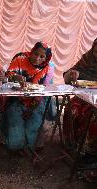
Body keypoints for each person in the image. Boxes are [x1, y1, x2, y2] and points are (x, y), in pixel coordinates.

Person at [3, 41, 53, 152]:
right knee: (15, 123)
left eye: (42, 56)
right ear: (32, 51)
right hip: (15, 98)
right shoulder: (20, 58)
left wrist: (31, 108)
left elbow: (42, 91)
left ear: (46, 58)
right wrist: (16, 77)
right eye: (35, 54)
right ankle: (16, 145)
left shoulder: (47, 68)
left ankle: (30, 147)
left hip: (36, 100)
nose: (37, 58)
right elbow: (8, 74)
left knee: (34, 123)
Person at [63, 38, 97, 182]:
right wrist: (72, 75)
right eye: (96, 49)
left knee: (92, 117)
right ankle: (73, 145)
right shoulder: (86, 60)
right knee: (72, 108)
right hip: (84, 96)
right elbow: (67, 77)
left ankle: (89, 154)